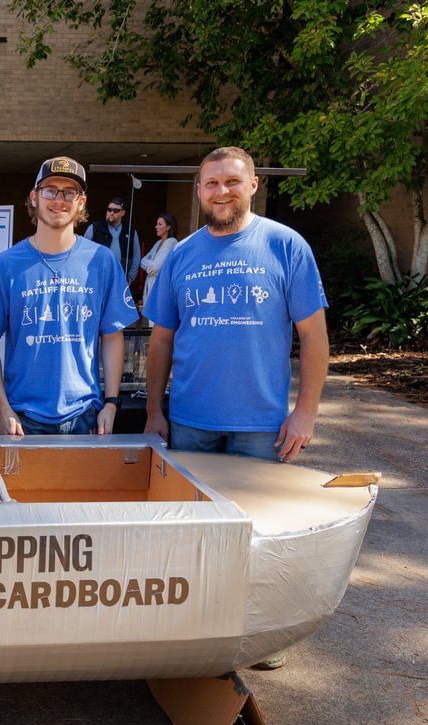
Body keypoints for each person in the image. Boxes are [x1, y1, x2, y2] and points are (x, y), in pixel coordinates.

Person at [142, 147, 329, 670]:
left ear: (252, 186)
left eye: (231, 182)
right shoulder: (181, 255)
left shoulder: (285, 246)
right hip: (190, 422)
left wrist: (306, 412)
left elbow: (313, 337)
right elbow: (160, 341)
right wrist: (155, 411)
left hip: (260, 425)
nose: (220, 192)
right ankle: (196, 627)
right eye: (210, 184)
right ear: (198, 191)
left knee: (260, 536)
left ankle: (259, 636)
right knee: (193, 534)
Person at [0, 157, 138, 435]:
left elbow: (112, 335)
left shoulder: (102, 261)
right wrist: (2, 408)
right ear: (34, 197)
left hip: (86, 415)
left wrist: (111, 402)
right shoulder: (5, 265)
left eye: (69, 192)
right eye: (50, 190)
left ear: (81, 202)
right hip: (23, 417)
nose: (59, 199)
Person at [83, 196, 141, 287]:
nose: (111, 213)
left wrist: (130, 278)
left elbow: (136, 256)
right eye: (109, 210)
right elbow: (83, 252)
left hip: (120, 280)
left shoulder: (130, 231)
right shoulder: (95, 227)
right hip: (96, 278)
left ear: (123, 213)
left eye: (115, 210)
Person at [139, 211, 179, 323]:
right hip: (150, 284)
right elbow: (142, 261)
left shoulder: (171, 242)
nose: (156, 227)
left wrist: (151, 265)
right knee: (149, 320)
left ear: (168, 226)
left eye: (160, 224)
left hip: (160, 285)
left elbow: (156, 268)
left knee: (156, 321)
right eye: (157, 224)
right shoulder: (158, 243)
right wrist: (152, 265)